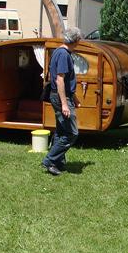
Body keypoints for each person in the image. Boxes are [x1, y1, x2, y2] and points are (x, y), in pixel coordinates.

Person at [41, 27, 82, 176]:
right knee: (72, 133)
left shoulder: (59, 51)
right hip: (60, 98)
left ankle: (58, 162)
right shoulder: (64, 55)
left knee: (61, 130)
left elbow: (65, 82)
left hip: (60, 96)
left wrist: (74, 97)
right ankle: (50, 160)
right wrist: (65, 104)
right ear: (76, 40)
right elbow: (59, 80)